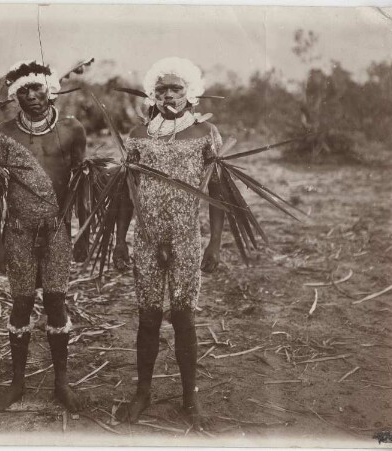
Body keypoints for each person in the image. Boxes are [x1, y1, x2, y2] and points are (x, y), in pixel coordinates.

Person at [113, 57, 224, 429]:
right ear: (151, 94)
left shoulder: (206, 135)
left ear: (190, 92)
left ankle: (190, 399)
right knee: (147, 318)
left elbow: (220, 191)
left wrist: (214, 244)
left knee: (183, 317)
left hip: (186, 241)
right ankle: (142, 393)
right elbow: (126, 194)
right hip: (146, 241)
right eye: (161, 89)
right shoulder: (138, 136)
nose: (168, 95)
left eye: (176, 88)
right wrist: (120, 241)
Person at [0, 60, 87, 413]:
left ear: (50, 89)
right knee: (22, 303)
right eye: (23, 91)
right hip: (17, 230)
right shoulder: (4, 134)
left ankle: (61, 383)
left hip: (57, 229)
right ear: (16, 96)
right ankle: (17, 383)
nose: (31, 96)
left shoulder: (73, 130)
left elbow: (81, 184)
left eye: (37, 88)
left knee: (56, 302)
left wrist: (84, 233)